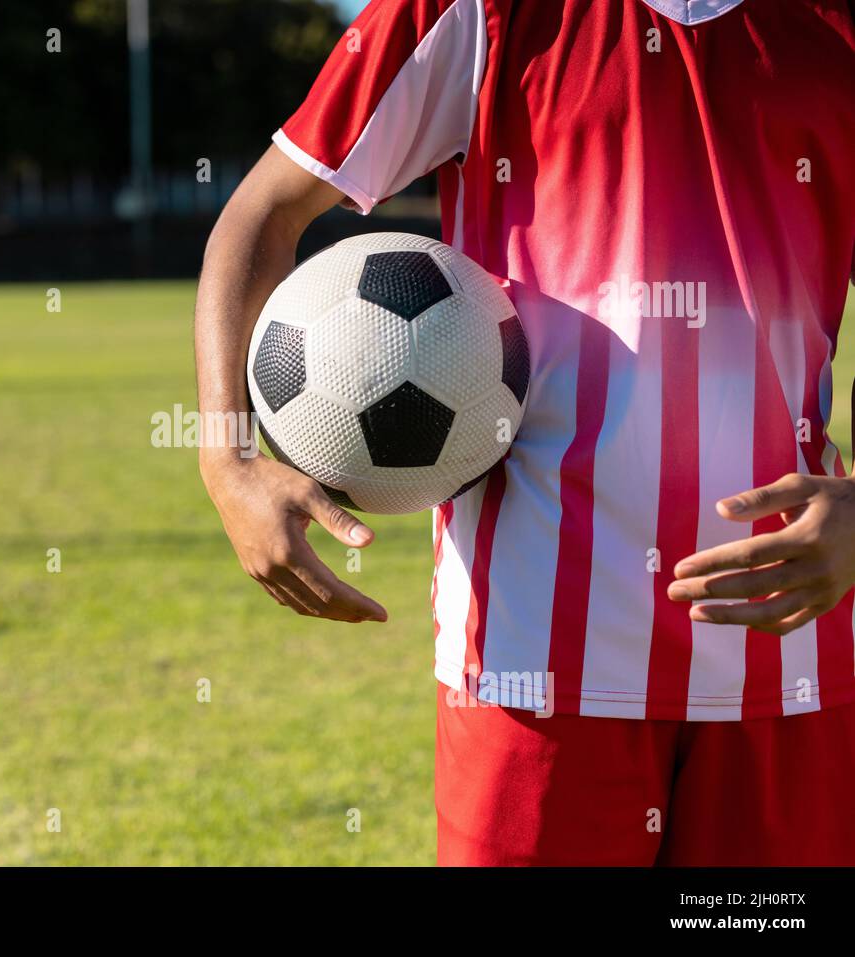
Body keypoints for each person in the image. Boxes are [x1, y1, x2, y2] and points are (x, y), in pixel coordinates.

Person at [194, 0, 855, 865]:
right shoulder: (474, 10)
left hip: (791, 651)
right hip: (530, 659)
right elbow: (264, 211)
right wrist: (227, 457)